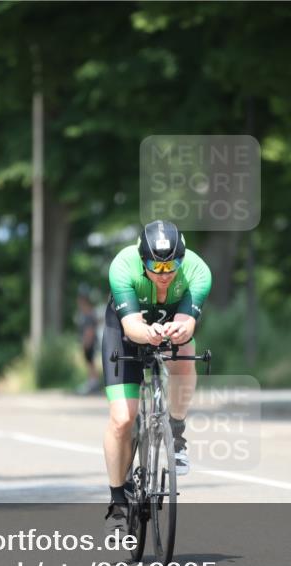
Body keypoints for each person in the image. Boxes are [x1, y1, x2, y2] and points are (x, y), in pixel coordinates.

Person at [102, 220, 212, 536]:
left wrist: (180, 330)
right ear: (142, 260)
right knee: (123, 419)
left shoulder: (198, 271)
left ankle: (175, 433)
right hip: (125, 331)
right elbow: (132, 327)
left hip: (170, 325)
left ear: (183, 258)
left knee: (185, 352)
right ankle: (117, 496)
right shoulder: (123, 266)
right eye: (155, 265)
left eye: (171, 265)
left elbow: (188, 323)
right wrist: (146, 333)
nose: (164, 273)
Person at [75, 287, 100, 394]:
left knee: (90, 362)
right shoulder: (86, 313)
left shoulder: (88, 314)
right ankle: (92, 381)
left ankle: (93, 382)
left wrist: (86, 342)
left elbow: (89, 330)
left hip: (89, 342)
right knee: (89, 362)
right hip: (88, 341)